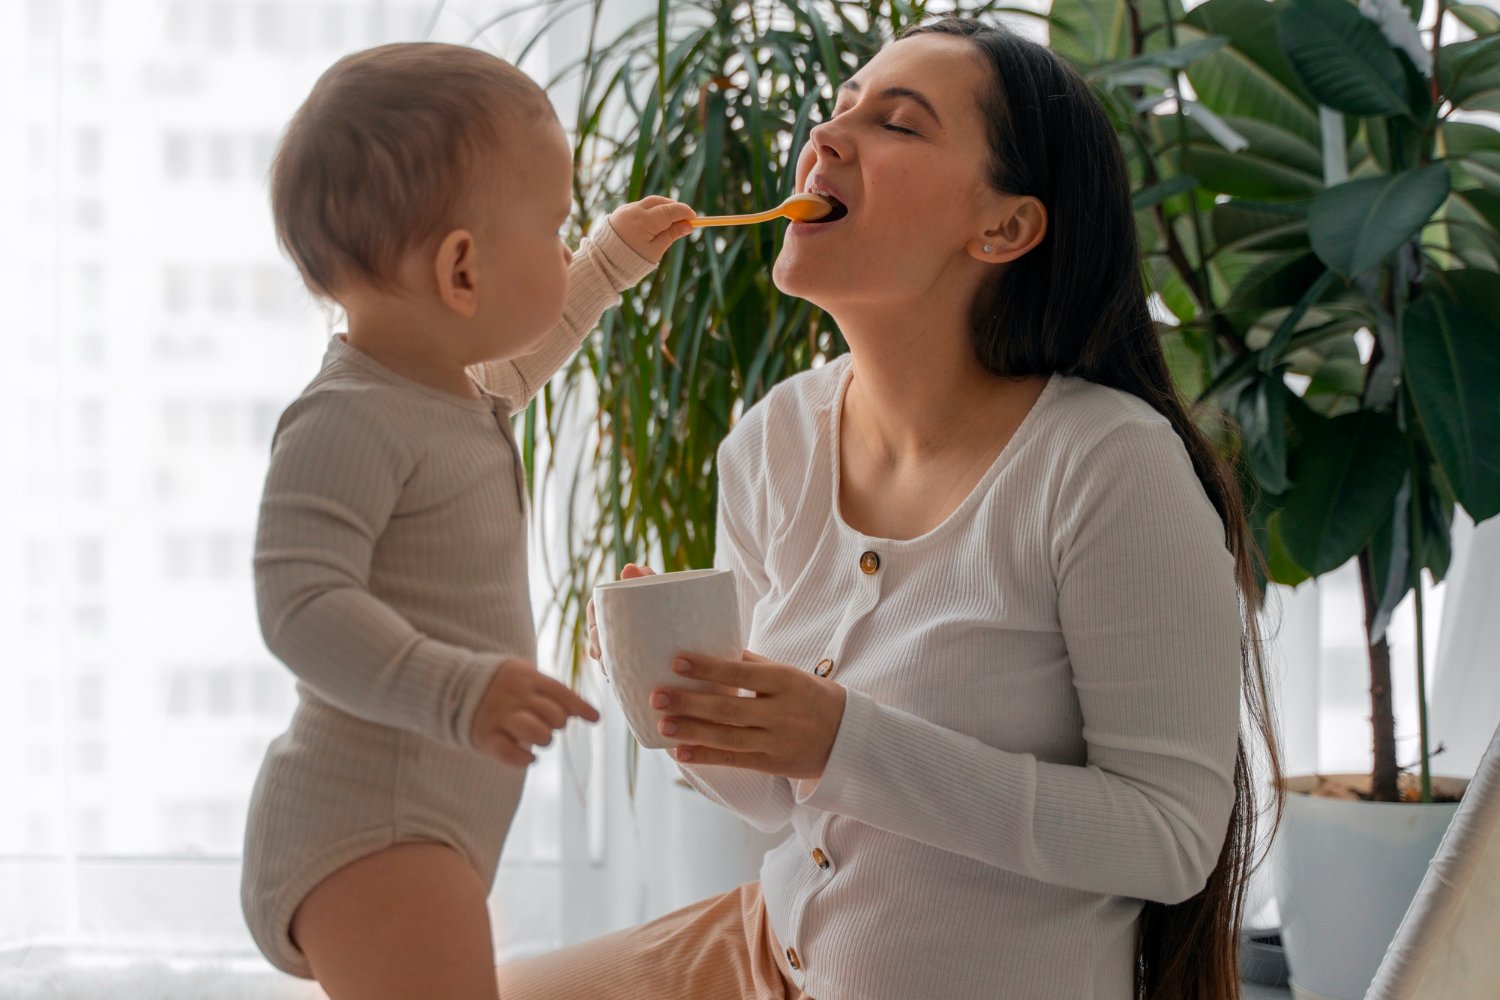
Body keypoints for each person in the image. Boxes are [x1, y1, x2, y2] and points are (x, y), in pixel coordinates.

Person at [503, 16, 1280, 1000]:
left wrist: (844, 742)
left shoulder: (1109, 467)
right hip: (761, 955)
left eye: (897, 125)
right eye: (839, 109)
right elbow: (786, 809)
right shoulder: (774, 440)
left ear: (1004, 227)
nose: (825, 137)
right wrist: (689, 708)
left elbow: (1170, 841)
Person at [240, 42, 695, 1000]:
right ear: (460, 269)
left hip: (418, 819)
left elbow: (528, 355)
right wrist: (458, 692)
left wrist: (608, 262)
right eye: (556, 229)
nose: (566, 248)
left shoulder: (441, 389)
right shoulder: (349, 417)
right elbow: (299, 604)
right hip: (370, 824)